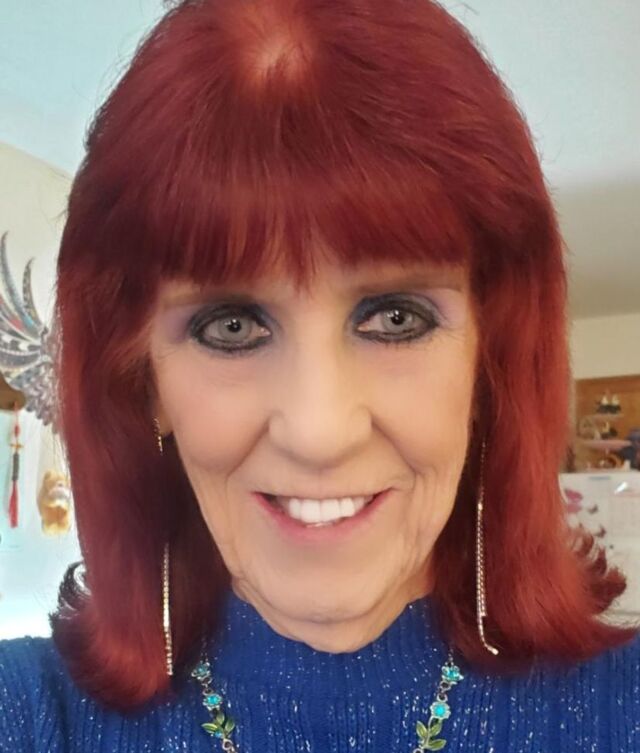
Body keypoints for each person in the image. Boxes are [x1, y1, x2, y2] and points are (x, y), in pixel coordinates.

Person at [1, 0, 639, 750]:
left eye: (395, 317)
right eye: (232, 326)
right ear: (144, 383)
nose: (319, 431)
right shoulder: (32, 715)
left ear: (487, 362)